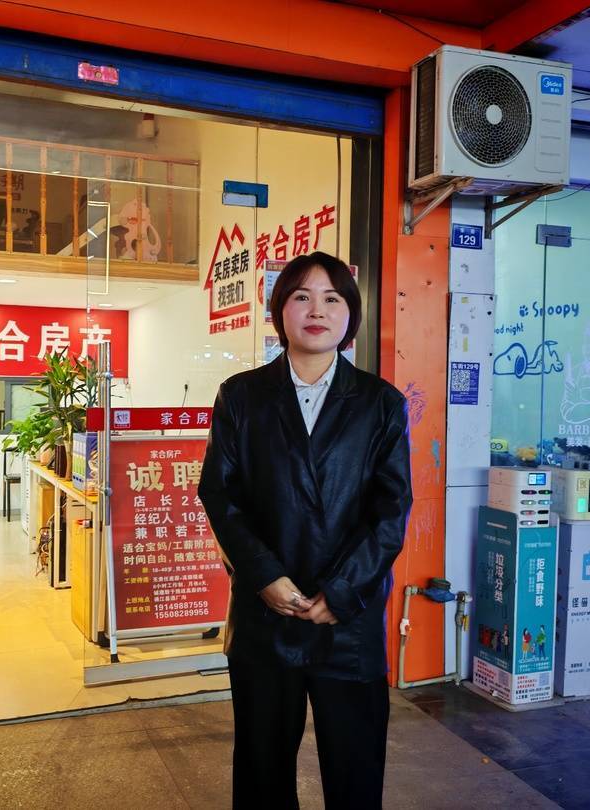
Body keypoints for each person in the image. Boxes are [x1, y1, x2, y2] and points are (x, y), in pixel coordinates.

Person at [199, 251, 413, 809]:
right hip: (267, 613)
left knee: (355, 770)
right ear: (280, 311)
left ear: (350, 316)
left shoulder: (381, 403)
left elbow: (391, 510)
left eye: (332, 298)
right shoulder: (241, 396)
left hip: (349, 618)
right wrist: (265, 576)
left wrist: (340, 593)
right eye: (301, 297)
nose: (317, 310)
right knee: (262, 771)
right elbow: (220, 494)